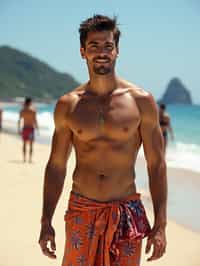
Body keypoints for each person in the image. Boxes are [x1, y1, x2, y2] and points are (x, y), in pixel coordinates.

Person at [39, 15, 167, 266]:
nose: (101, 52)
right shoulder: (69, 105)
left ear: (117, 51)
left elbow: (157, 164)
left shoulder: (141, 102)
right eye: (94, 46)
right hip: (81, 210)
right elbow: (56, 165)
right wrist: (46, 220)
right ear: (82, 52)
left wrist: (161, 224)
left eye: (108, 46)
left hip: (126, 212)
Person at [18, 97, 39, 163]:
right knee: (31, 144)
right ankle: (30, 159)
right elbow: (35, 120)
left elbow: (19, 120)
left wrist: (18, 129)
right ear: (30, 102)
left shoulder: (22, 111)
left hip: (24, 128)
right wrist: (37, 128)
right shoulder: (33, 110)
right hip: (31, 129)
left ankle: (24, 159)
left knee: (24, 144)